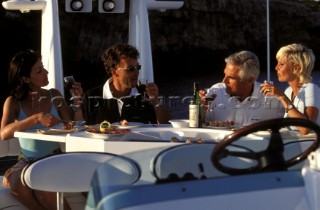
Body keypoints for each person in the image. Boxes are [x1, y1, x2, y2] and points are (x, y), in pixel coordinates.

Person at [0, 49, 83, 210]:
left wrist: (77, 102)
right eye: (39, 70)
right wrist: (35, 118)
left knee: (43, 187)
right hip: (27, 161)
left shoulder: (54, 95)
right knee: (16, 185)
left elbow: (74, 125)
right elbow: (4, 133)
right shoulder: (13, 102)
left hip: (54, 158)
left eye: (43, 67)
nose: (46, 72)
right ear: (25, 78)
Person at [82, 43, 171, 125]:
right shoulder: (91, 97)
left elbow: (166, 125)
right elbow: (81, 131)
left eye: (138, 67)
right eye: (131, 69)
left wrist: (156, 102)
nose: (137, 73)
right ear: (114, 72)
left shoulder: (146, 94)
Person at [199, 50, 284, 127]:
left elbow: (287, 130)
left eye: (231, 78)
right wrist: (201, 110)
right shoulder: (215, 92)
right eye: (225, 75)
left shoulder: (271, 99)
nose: (224, 81)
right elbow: (199, 127)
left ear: (250, 80)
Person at [260, 43, 320, 134]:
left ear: (296, 68)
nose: (276, 68)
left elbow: (306, 129)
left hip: (311, 145)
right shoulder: (288, 91)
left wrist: (282, 97)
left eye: (281, 64)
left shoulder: (311, 89)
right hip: (294, 143)